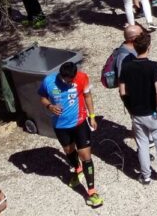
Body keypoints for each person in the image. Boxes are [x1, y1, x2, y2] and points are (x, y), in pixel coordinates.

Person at [118, 31, 157, 185]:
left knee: (142, 144)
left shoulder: (126, 67)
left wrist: (130, 107)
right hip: (153, 111)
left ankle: (145, 176)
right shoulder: (154, 66)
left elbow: (122, 91)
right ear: (149, 47)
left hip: (137, 113)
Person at [38, 61, 103, 208]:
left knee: (86, 156)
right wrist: (49, 106)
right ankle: (77, 169)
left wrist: (92, 116)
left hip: (80, 122)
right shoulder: (48, 81)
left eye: (73, 80)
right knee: (68, 151)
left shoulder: (82, 78)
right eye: (68, 80)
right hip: (60, 126)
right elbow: (42, 97)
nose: (71, 82)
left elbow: (87, 96)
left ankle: (91, 192)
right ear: (61, 75)